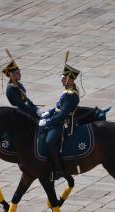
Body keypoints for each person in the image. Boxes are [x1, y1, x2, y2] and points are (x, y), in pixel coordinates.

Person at [39, 52, 81, 180]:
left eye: (63, 78)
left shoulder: (71, 95)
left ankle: (58, 169)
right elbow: (59, 107)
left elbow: (62, 114)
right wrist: (49, 112)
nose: (61, 80)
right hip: (58, 118)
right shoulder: (67, 92)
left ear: (69, 79)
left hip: (64, 123)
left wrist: (49, 122)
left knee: (50, 141)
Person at [2, 49, 42, 119]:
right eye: (17, 73)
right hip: (21, 114)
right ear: (11, 75)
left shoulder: (18, 84)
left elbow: (26, 99)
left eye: (19, 72)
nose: (20, 74)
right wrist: (34, 112)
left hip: (28, 110)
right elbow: (21, 106)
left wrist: (36, 109)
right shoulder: (11, 89)